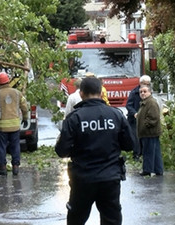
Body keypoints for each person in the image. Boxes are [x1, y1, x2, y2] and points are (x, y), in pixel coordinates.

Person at [55, 77, 134, 225]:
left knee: (76, 219)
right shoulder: (116, 115)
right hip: (110, 177)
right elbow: (130, 144)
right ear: (100, 92)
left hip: (83, 179)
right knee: (112, 219)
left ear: (82, 93)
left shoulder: (74, 118)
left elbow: (61, 150)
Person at [0, 72, 29, 176]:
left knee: (1, 147)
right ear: (8, 81)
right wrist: (25, 118)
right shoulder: (17, 93)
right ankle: (15, 167)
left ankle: (3, 168)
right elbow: (24, 106)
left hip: (2, 128)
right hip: (15, 126)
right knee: (15, 146)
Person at [136, 85, 163, 176]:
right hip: (148, 133)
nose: (143, 93)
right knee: (154, 153)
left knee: (148, 152)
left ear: (150, 92)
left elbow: (153, 118)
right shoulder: (145, 102)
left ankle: (147, 170)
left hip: (149, 133)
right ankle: (158, 170)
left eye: (145, 91)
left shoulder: (151, 103)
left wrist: (144, 126)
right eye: (141, 92)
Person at [126, 75, 151, 160]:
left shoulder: (148, 92)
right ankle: (136, 156)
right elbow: (128, 105)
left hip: (143, 119)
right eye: (145, 84)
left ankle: (143, 154)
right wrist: (135, 113)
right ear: (140, 83)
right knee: (136, 138)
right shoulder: (134, 93)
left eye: (148, 84)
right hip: (134, 119)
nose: (146, 86)